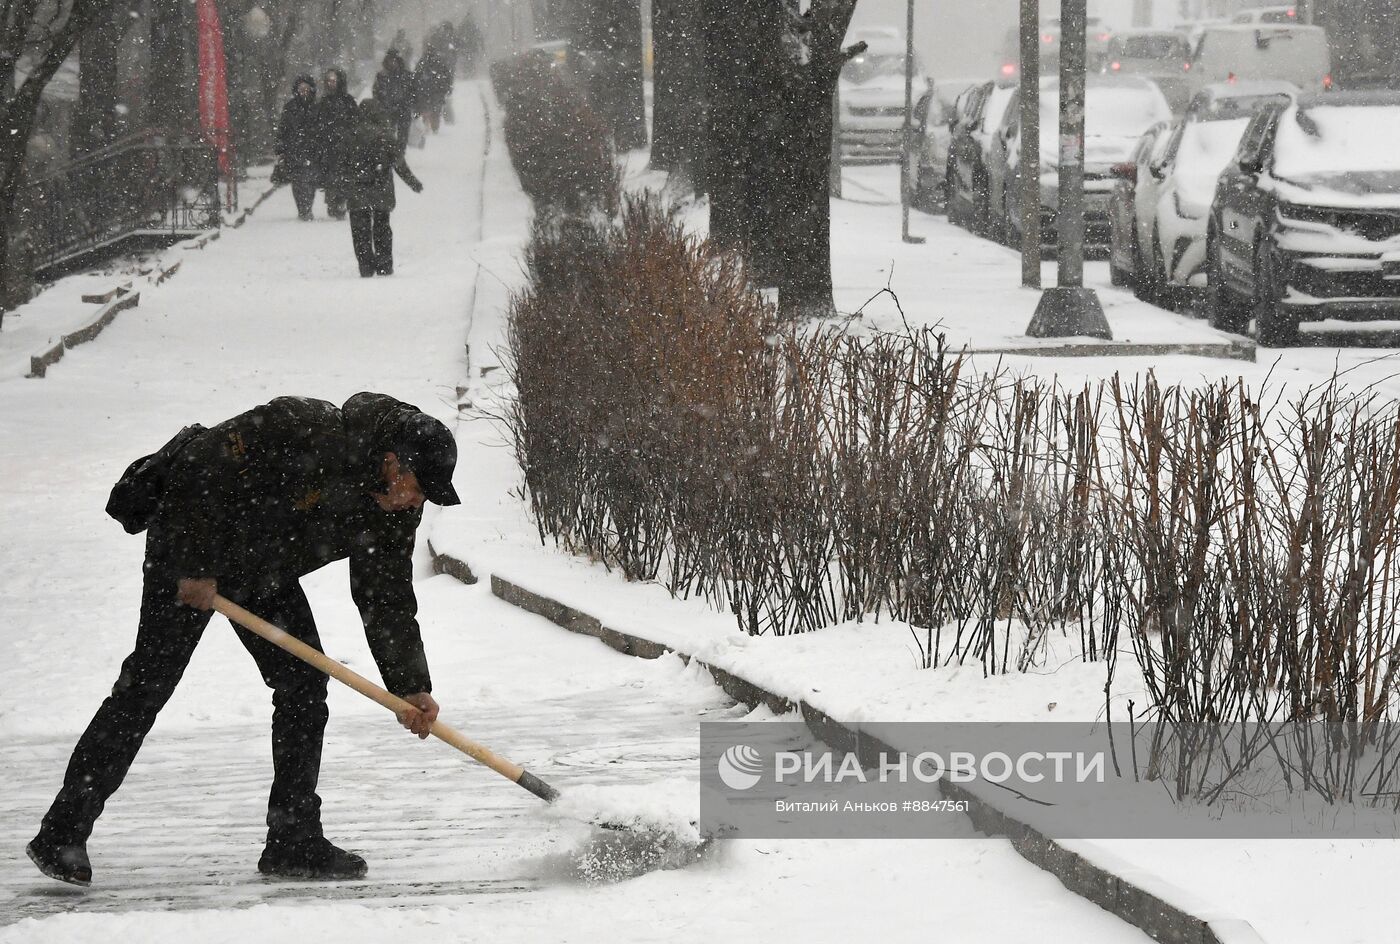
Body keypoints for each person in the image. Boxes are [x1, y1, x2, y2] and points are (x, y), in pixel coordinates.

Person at [26, 393, 460, 886]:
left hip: (261, 569)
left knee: (303, 684)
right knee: (147, 687)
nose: (417, 500)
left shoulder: (392, 507)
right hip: (189, 546)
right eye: (419, 487)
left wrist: (409, 684)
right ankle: (63, 830)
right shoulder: (303, 427)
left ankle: (293, 840)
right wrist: (196, 565)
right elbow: (196, 468)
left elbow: (386, 597)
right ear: (392, 460)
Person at [343, 99, 423, 278]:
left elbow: (341, 165)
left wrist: (339, 189)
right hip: (381, 189)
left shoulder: (350, 135)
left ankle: (365, 266)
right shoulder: (386, 136)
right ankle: (384, 264)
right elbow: (399, 164)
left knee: (360, 231)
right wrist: (413, 183)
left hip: (357, 190)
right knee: (382, 228)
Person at [316, 68, 359, 220]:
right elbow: (319, 123)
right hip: (328, 146)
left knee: (344, 175)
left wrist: (348, 136)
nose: (331, 84)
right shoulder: (323, 102)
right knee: (330, 175)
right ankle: (332, 202)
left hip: (346, 146)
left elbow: (355, 122)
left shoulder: (348, 101)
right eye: (328, 81)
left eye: (333, 81)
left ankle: (341, 201)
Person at [276, 75, 320, 220]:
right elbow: (283, 129)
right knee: (297, 182)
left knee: (310, 181)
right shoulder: (290, 107)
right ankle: (302, 208)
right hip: (294, 150)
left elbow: (323, 127)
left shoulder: (317, 107)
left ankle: (307, 207)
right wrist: (281, 149)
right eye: (301, 89)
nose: (304, 92)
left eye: (306, 89)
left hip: (312, 150)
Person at [372, 49, 415, 152]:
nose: (392, 63)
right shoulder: (381, 76)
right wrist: (380, 106)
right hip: (387, 111)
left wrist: (410, 105)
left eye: (394, 60)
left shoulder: (407, 76)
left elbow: (413, 92)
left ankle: (399, 156)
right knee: (387, 137)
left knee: (402, 138)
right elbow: (376, 92)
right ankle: (390, 155)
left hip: (403, 110)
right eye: (390, 60)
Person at [413, 39, 454, 134]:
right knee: (435, 110)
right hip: (436, 90)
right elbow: (447, 75)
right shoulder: (439, 62)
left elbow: (416, 76)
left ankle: (428, 126)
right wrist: (446, 87)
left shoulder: (422, 62)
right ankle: (434, 127)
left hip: (427, 90)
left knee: (427, 109)